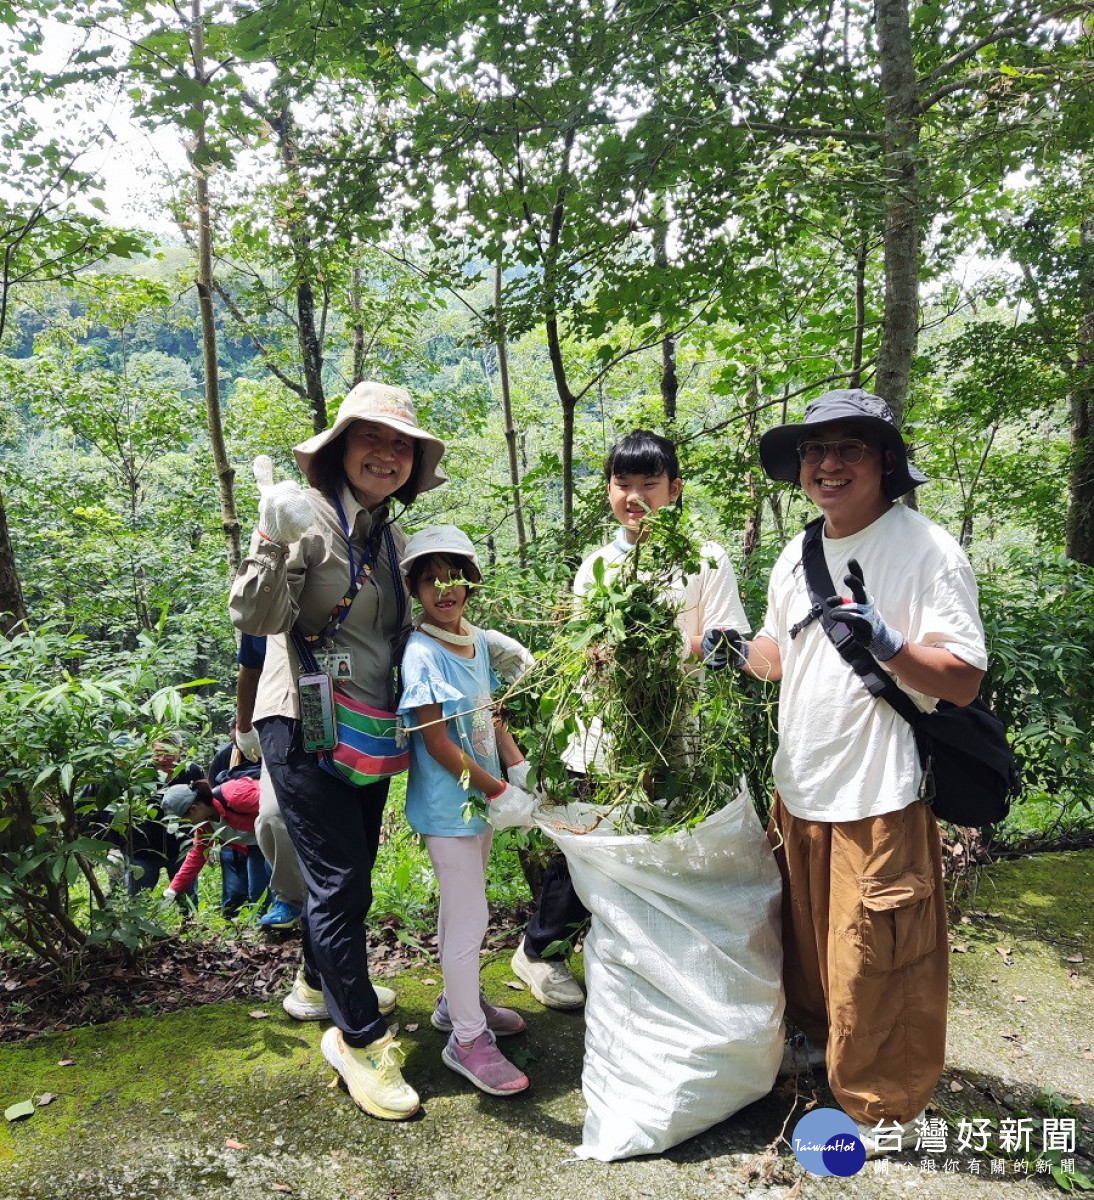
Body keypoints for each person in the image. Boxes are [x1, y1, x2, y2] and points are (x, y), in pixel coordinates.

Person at [715, 388, 987, 1156]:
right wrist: (733, 649)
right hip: (799, 785)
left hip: (880, 792)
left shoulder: (927, 549)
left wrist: (890, 641)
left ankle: (881, 1110)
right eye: (814, 451)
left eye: (850, 449)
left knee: (880, 960)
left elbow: (962, 678)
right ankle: (815, 1057)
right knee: (806, 947)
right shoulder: (795, 552)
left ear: (886, 463)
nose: (828, 464)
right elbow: (778, 657)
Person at [229, 380, 447, 1122]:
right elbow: (259, 617)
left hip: (366, 724)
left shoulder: (386, 534)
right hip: (302, 719)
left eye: (400, 446)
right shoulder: (307, 518)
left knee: (349, 865)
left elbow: (392, 634)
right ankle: (357, 1038)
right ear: (341, 448)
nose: (385, 455)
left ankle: (316, 984)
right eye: (371, 439)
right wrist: (269, 538)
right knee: (342, 881)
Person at [511, 428, 751, 1008]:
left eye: (650, 483)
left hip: (678, 727)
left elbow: (732, 645)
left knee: (667, 842)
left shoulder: (705, 558)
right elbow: (582, 647)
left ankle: (651, 956)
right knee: (592, 837)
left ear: (675, 489)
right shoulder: (596, 565)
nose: (635, 496)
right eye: (623, 483)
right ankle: (539, 951)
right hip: (603, 729)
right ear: (609, 489)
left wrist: (665, 650)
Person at [396, 526, 537, 1097]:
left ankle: (458, 1003)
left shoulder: (475, 644)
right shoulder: (421, 653)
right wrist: (495, 791)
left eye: (452, 576)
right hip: (449, 809)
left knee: (462, 911)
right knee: (471, 918)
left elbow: (489, 719)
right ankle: (468, 1039)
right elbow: (439, 745)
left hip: (479, 806)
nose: (442, 589)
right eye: (429, 580)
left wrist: (517, 768)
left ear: (469, 581)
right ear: (415, 590)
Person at [159, 776, 271, 914]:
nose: (187, 823)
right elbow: (197, 856)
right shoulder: (205, 825)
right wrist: (173, 889)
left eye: (185, 818)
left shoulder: (235, 795)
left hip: (280, 837)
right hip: (257, 847)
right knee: (258, 894)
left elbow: (277, 807)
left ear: (194, 809)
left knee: (280, 881)